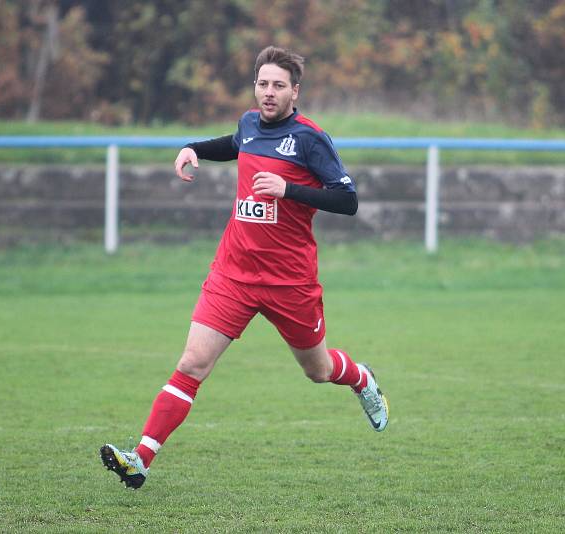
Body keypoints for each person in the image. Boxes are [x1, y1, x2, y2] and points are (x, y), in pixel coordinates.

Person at [100, 45, 388, 490]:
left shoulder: (311, 139)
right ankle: (140, 459)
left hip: (290, 282)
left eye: (278, 85)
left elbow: (348, 200)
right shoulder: (249, 123)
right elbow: (233, 145)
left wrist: (289, 189)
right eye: (262, 84)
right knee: (192, 364)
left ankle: (362, 377)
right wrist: (191, 148)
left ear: (295, 91)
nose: (268, 93)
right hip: (233, 273)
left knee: (318, 370)